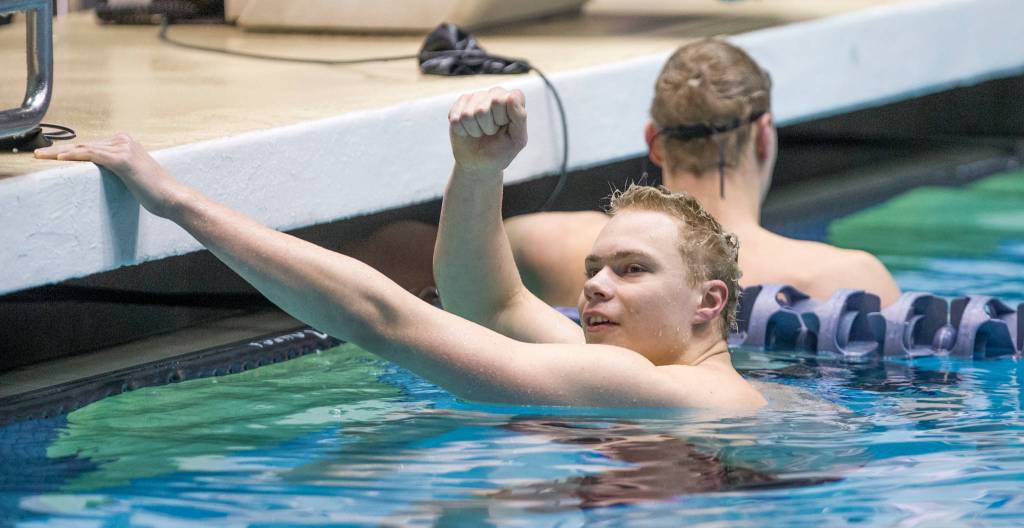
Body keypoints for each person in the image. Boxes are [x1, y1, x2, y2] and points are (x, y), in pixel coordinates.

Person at [34, 87, 765, 410]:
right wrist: (479, 172)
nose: (597, 286)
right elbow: (494, 301)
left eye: (632, 270)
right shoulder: (642, 369)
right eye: (594, 268)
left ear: (709, 301)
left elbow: (387, 319)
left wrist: (176, 201)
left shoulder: (668, 392)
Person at [506, 38, 902, 308]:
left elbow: (456, 261)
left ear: (654, 142)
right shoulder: (843, 278)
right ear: (764, 135)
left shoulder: (548, 246)